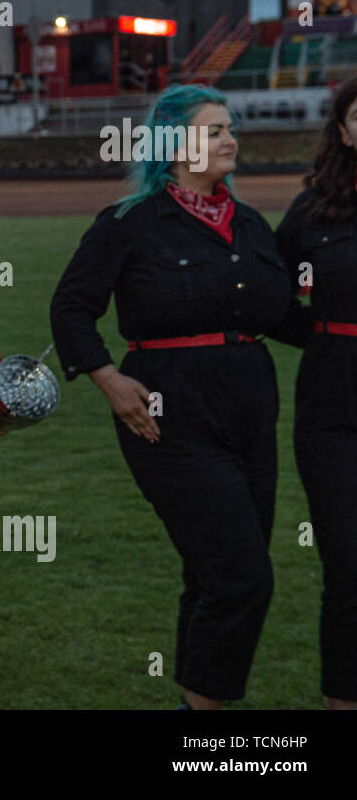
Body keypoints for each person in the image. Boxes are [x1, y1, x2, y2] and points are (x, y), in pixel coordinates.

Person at [50, 84, 298, 710]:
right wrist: (108, 379)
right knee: (242, 579)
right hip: (167, 418)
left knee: (212, 576)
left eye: (231, 127)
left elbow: (286, 319)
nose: (231, 139)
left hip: (250, 414)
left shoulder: (250, 223)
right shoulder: (129, 223)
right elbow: (71, 309)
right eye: (216, 130)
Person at [274, 75, 357, 711]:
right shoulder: (314, 209)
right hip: (332, 409)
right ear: (343, 128)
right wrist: (329, 338)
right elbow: (272, 295)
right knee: (348, 568)